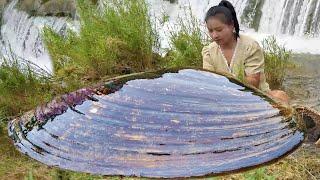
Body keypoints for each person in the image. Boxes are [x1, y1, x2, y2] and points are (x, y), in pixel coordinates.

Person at [202, 0, 289, 103]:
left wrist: (224, 87)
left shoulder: (250, 47)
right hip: (223, 97)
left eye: (219, 30)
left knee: (281, 96)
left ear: (232, 26)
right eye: (210, 31)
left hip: (255, 96)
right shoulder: (209, 51)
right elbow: (209, 81)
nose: (214, 35)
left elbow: (253, 82)